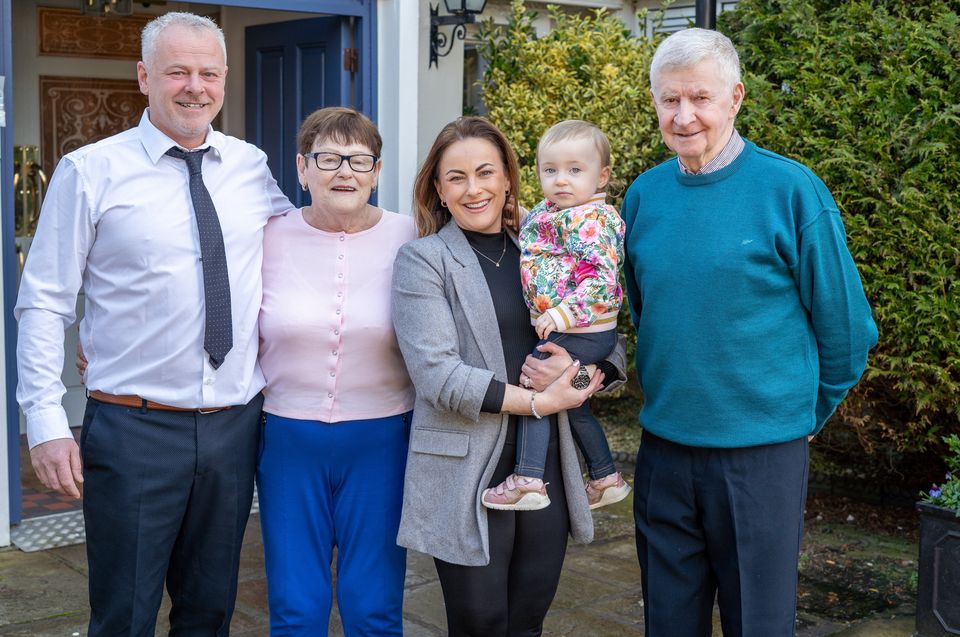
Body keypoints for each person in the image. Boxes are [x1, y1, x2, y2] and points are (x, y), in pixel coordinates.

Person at [16, 13, 292, 635]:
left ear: (223, 80)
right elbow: (44, 301)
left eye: (208, 73)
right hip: (132, 428)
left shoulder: (251, 166)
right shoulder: (90, 170)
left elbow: (303, 249)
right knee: (124, 616)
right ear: (145, 77)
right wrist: (45, 419)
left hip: (233, 429)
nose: (195, 86)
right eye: (177, 72)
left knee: (209, 611)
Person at [621, 28, 878, 636]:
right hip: (663, 450)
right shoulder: (643, 196)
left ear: (735, 98)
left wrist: (799, 417)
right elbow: (643, 310)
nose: (684, 117)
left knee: (758, 624)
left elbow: (847, 330)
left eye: (700, 99)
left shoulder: (791, 191)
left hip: (760, 457)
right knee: (667, 622)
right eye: (668, 100)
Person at [391, 116, 627, 636]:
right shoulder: (424, 261)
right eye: (457, 177)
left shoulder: (542, 246)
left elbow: (608, 337)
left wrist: (581, 373)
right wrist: (541, 402)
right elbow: (438, 375)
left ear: (507, 179)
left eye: (485, 173)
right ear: (439, 188)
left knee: (527, 620)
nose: (473, 189)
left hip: (546, 464)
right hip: (466, 464)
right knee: (480, 623)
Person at [255, 107, 416, 635]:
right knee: (296, 603)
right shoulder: (266, 236)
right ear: (302, 169)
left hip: (383, 438)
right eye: (328, 158)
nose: (344, 171)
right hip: (286, 438)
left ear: (376, 171)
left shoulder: (412, 237)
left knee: (372, 602)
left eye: (359, 159)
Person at [482, 119, 631, 511]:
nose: (561, 180)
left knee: (536, 385)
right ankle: (605, 476)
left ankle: (529, 478)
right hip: (580, 331)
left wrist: (563, 316)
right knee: (574, 400)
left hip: (583, 327)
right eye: (550, 170)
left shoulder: (594, 221)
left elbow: (601, 280)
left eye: (574, 170)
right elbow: (539, 233)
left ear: (602, 176)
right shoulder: (559, 213)